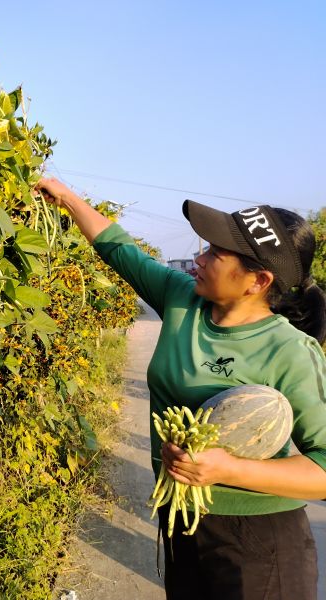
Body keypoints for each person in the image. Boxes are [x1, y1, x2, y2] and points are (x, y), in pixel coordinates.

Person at [36, 177, 326, 600]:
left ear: (258, 281)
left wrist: (226, 469)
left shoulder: (289, 350)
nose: (200, 258)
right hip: (181, 522)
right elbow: (119, 248)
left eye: (215, 253)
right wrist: (65, 197)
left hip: (261, 543)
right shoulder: (181, 297)